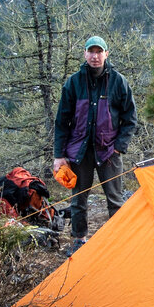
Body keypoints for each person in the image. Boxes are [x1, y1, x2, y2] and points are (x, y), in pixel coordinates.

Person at [52, 35, 138, 254]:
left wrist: (119, 146)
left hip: (109, 151)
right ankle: (79, 241)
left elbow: (131, 119)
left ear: (106, 54)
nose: (95, 56)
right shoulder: (73, 83)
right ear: (85, 54)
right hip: (79, 153)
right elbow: (62, 122)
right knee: (79, 199)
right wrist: (58, 155)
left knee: (115, 199)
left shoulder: (118, 82)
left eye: (99, 52)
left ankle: (121, 242)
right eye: (91, 51)